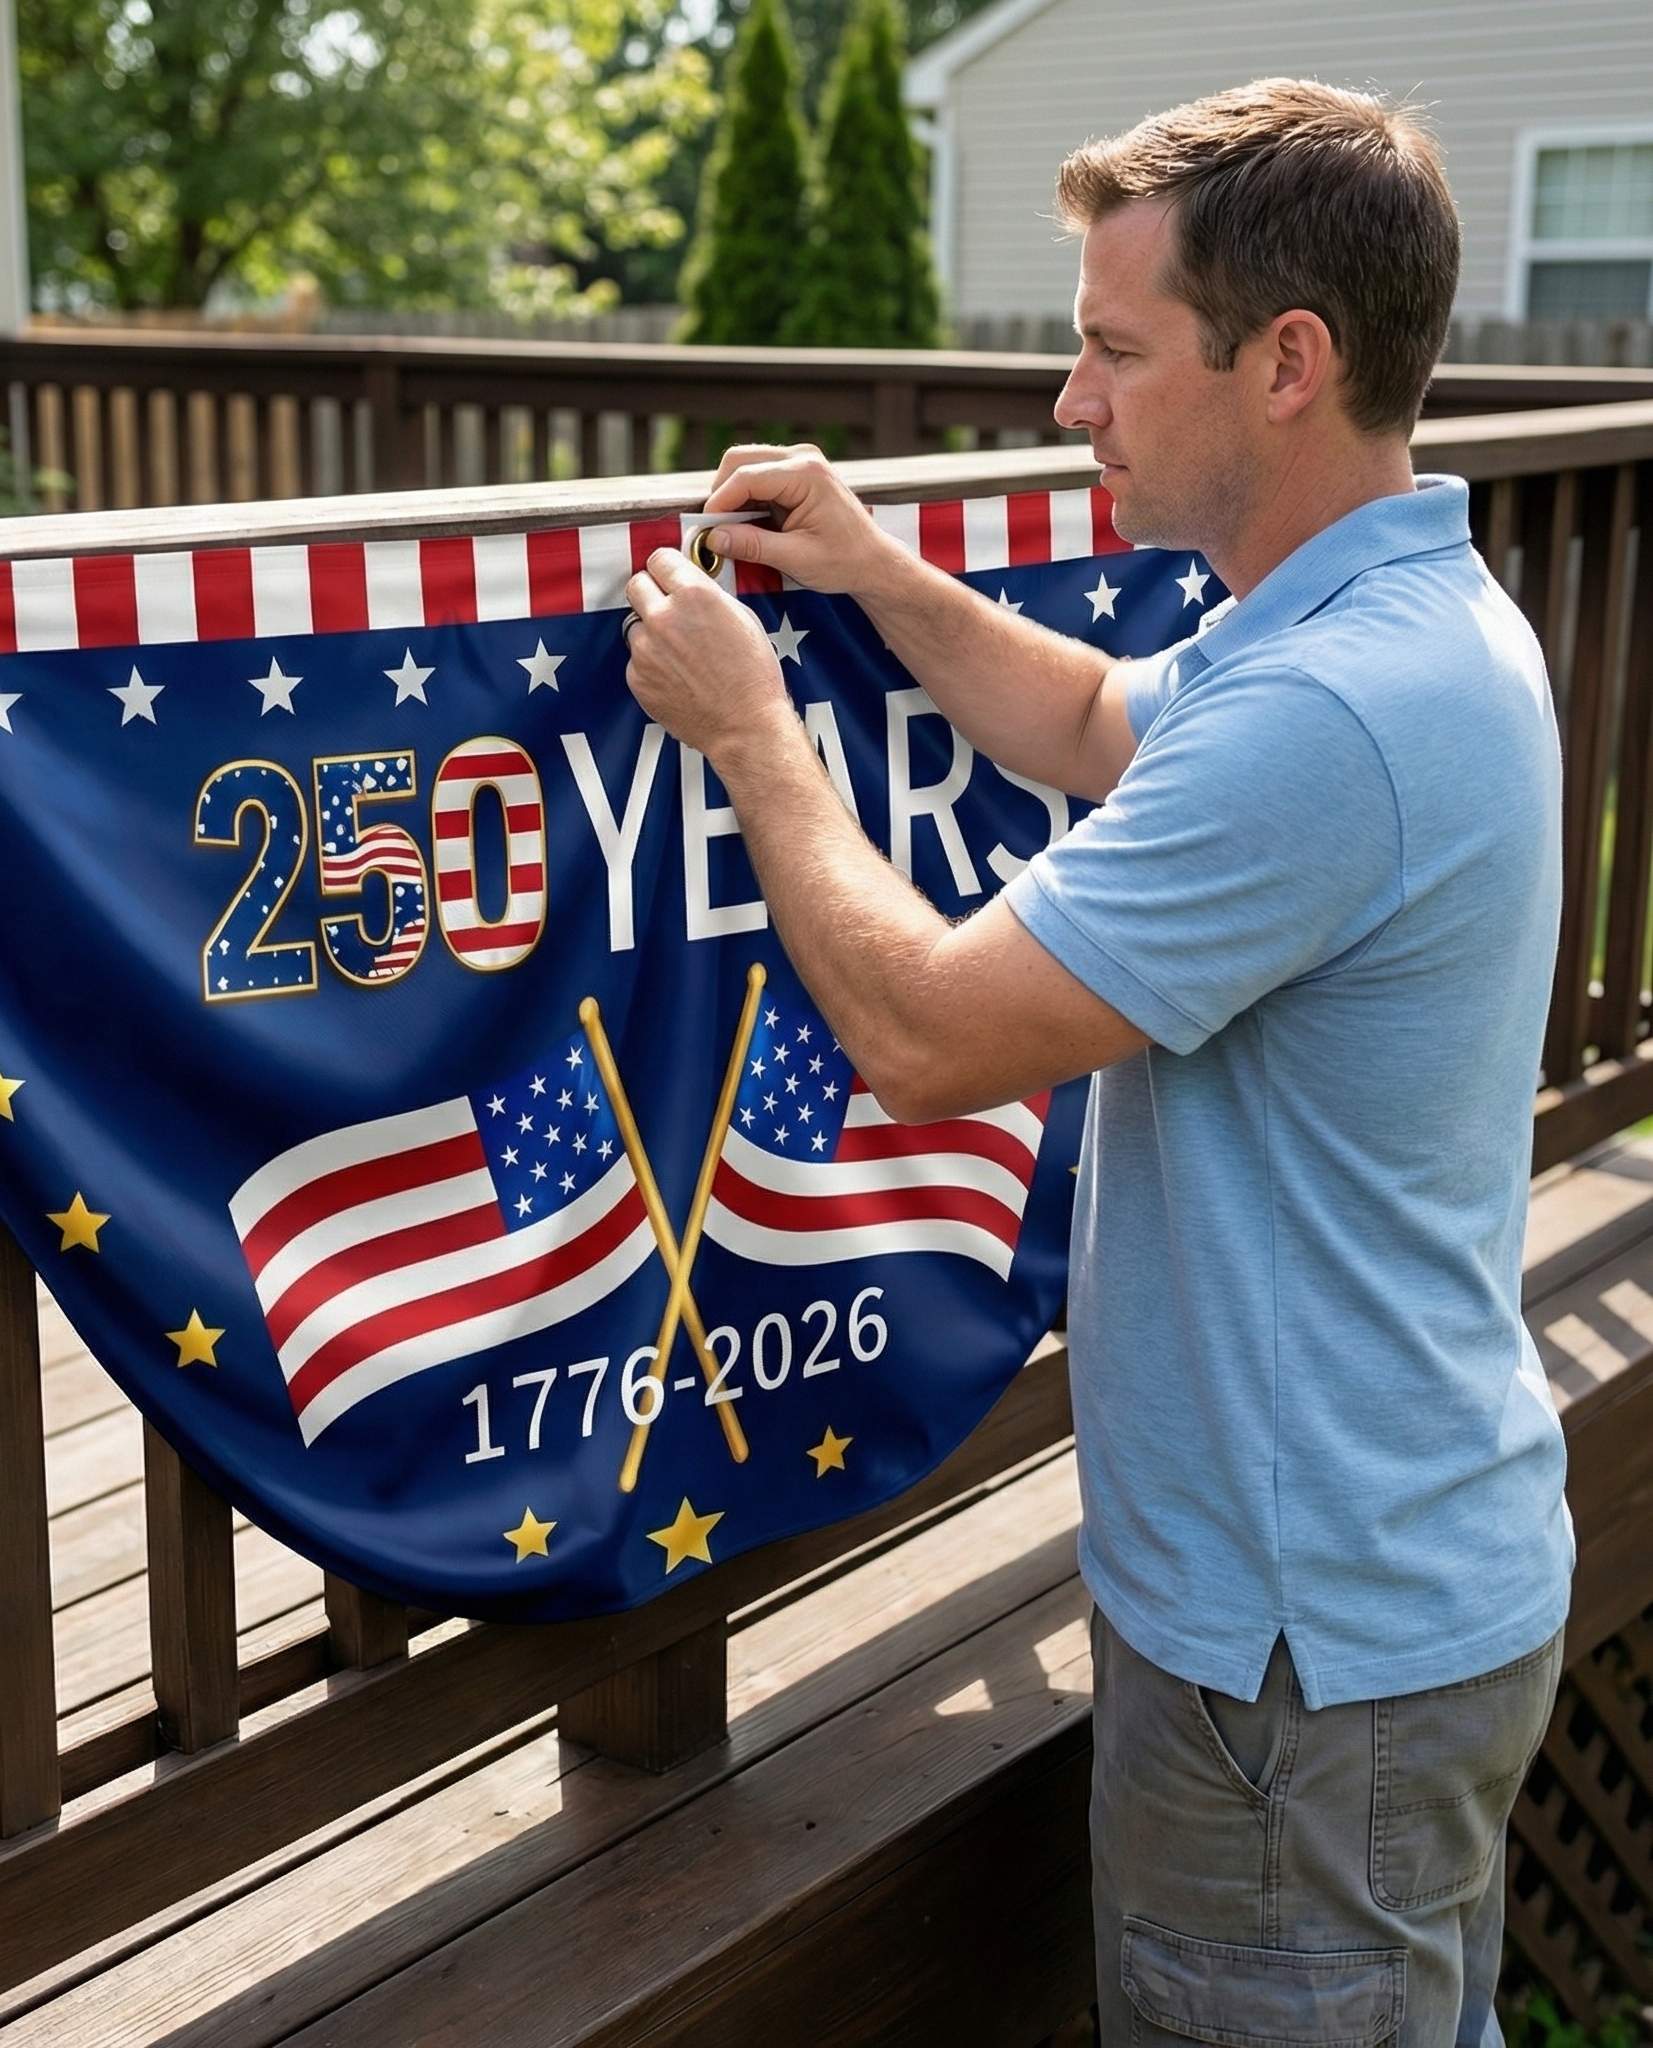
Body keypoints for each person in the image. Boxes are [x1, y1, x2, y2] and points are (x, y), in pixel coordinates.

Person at [620, 78, 1572, 2047]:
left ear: (1286, 363)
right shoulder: (1385, 615)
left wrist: (751, 737)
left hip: (1301, 1668)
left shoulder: (1333, 710)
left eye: (1116, 351)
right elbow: (1081, 720)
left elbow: (923, 1033)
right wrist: (878, 577)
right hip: (1395, 1581)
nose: (1074, 402)